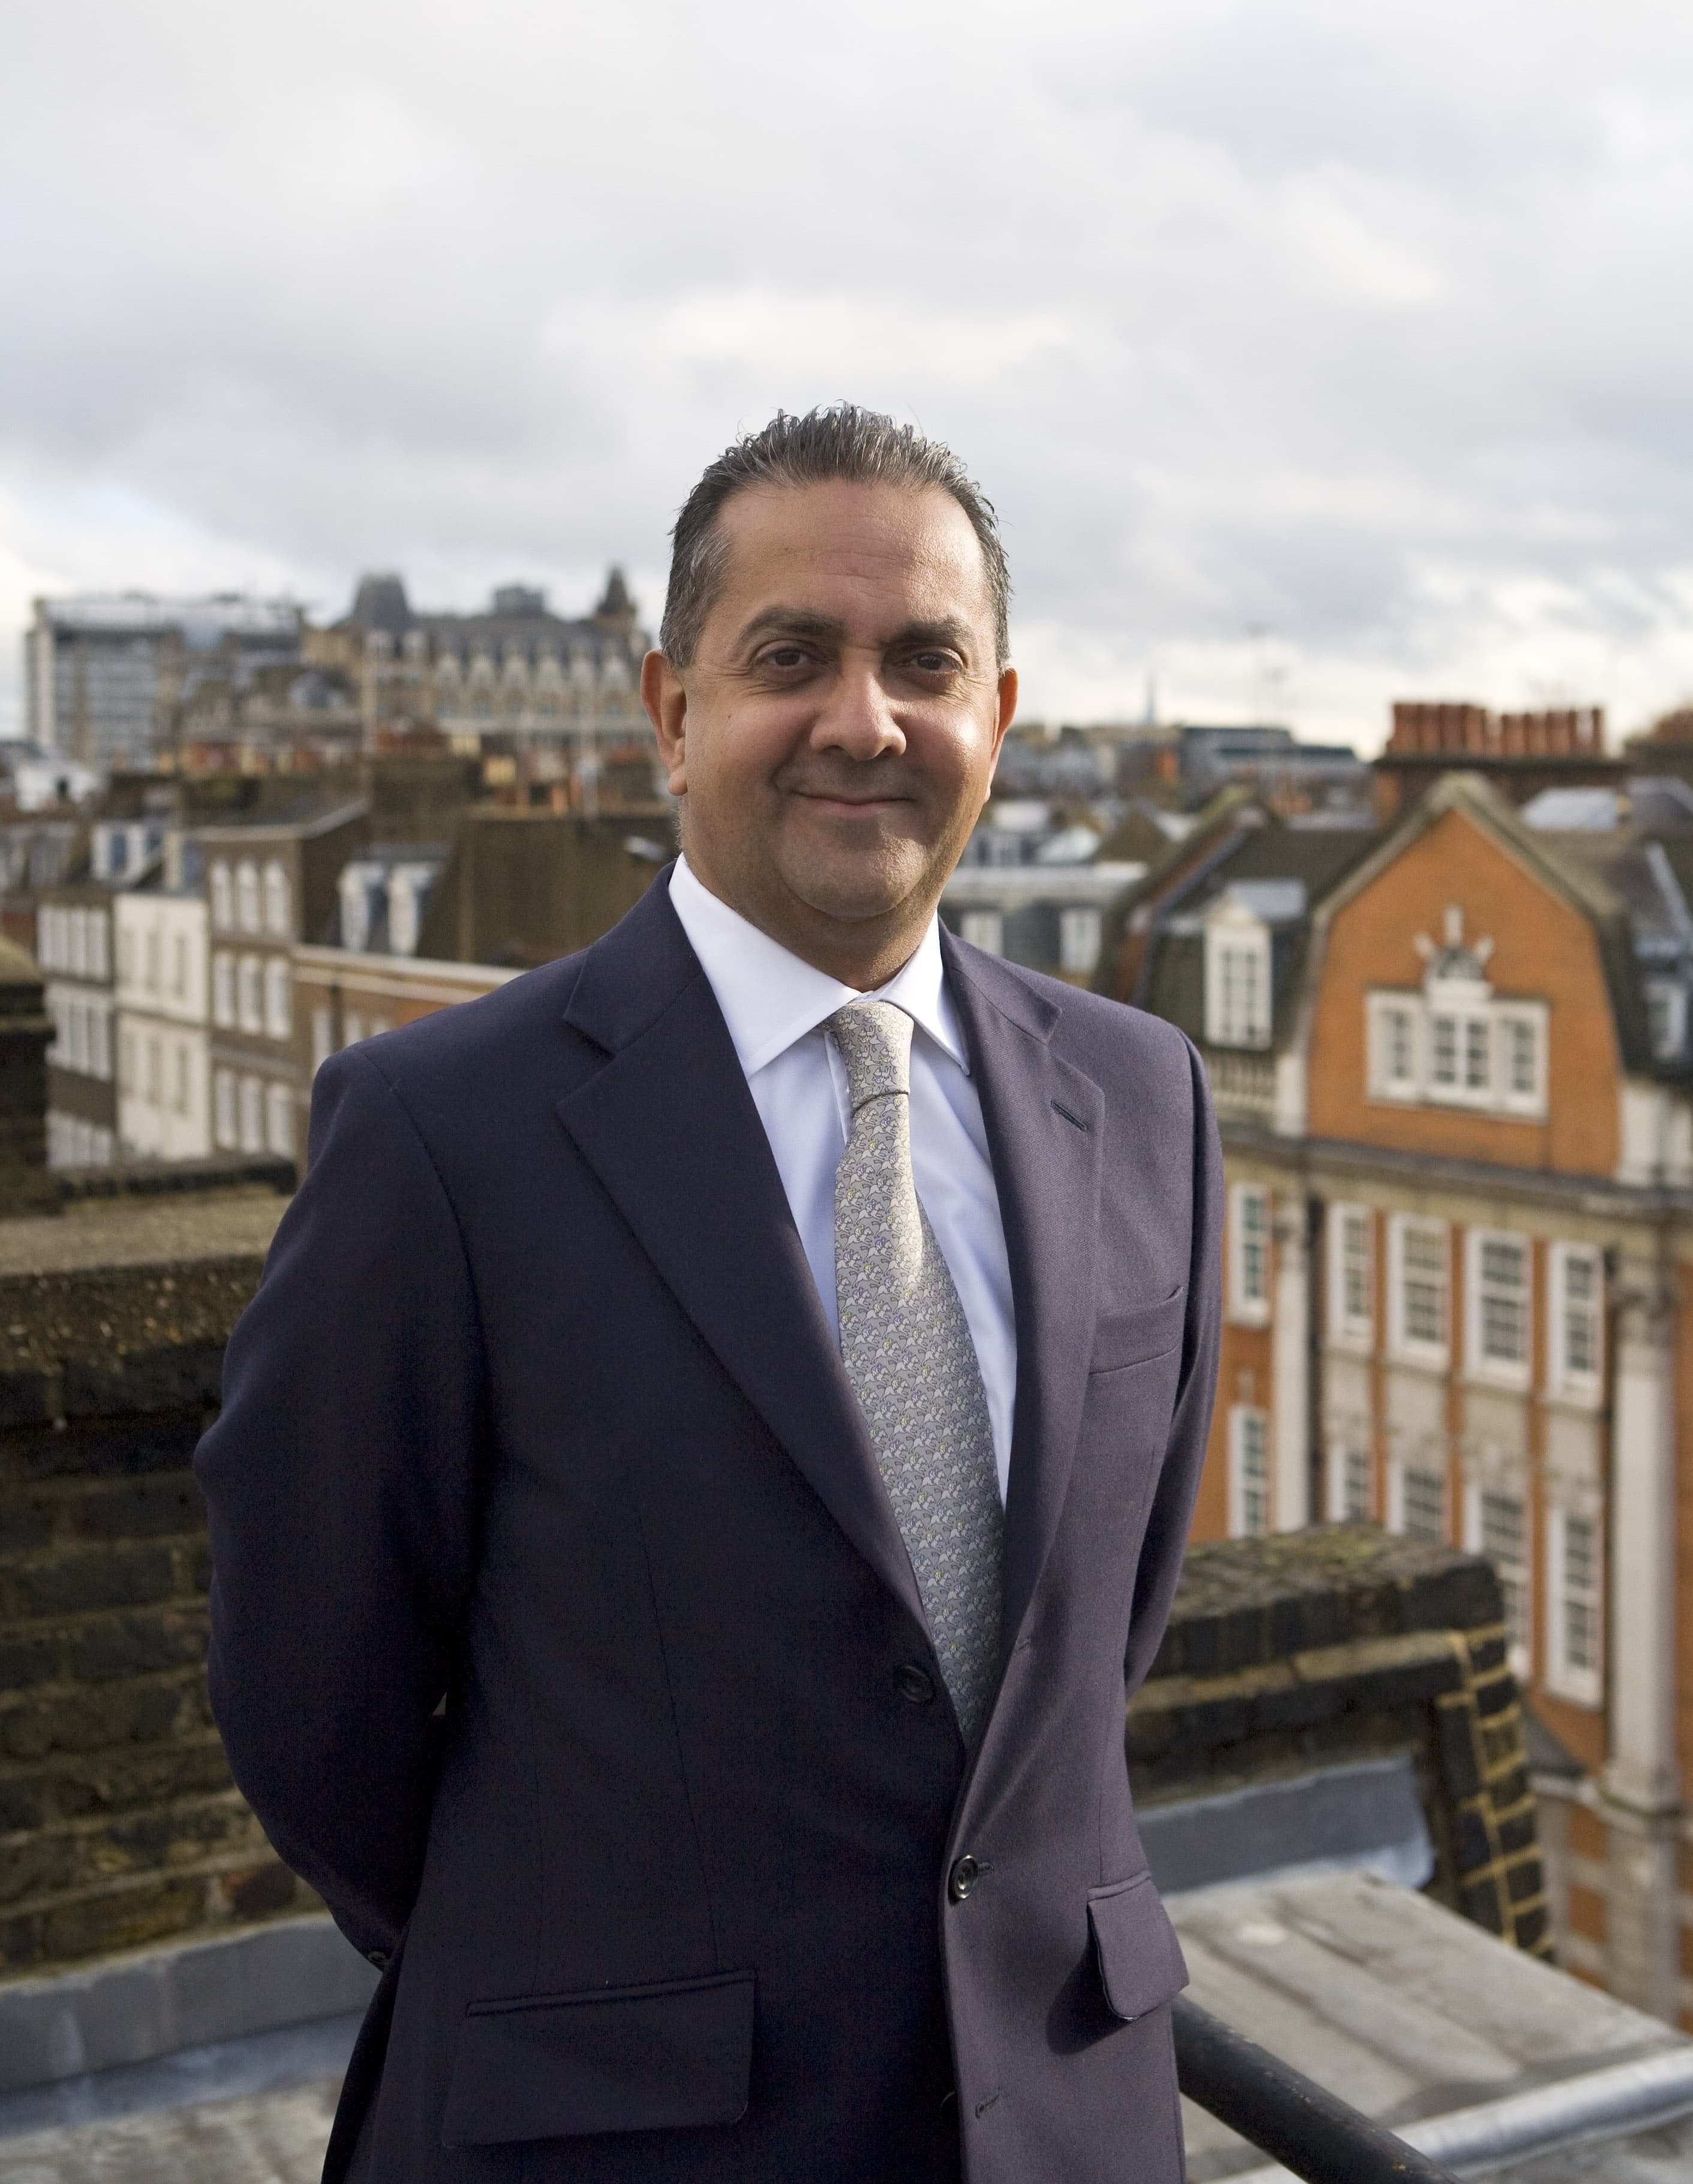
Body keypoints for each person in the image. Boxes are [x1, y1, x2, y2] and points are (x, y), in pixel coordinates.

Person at [196, 404, 1222, 2184]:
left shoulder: (1143, 1096)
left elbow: (1094, 1640)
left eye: (925, 662)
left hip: (1063, 2118)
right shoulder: (444, 1132)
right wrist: (575, 1975)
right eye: (791, 658)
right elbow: (310, 1699)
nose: (864, 720)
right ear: (672, 710)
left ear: (998, 714)